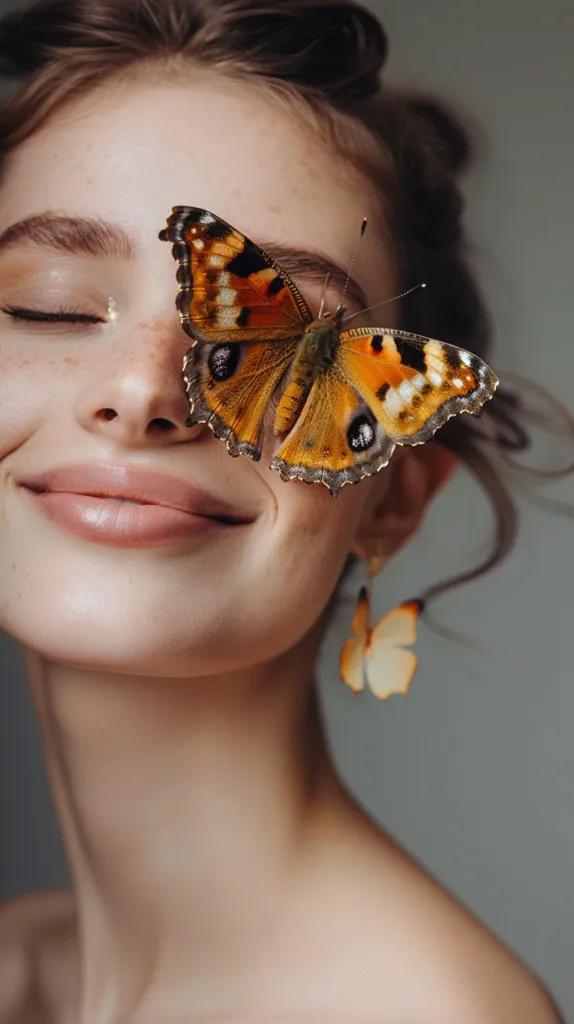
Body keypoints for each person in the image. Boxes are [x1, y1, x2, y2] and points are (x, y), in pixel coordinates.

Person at [0, 1, 567, 1021]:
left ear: (392, 494)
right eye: (49, 303)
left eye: (299, 335)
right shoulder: (18, 962)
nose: (144, 392)